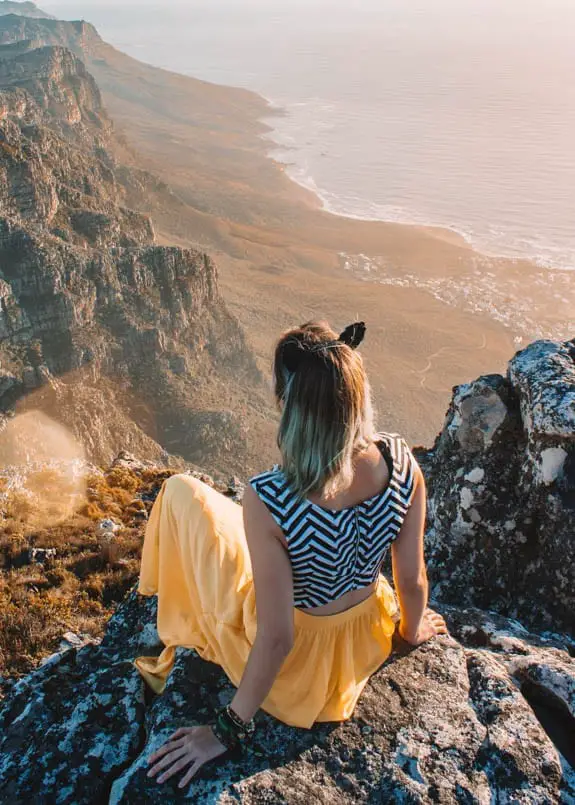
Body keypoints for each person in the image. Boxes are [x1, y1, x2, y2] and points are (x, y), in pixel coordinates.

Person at [138, 320, 448, 789]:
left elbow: (278, 637)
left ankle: (157, 602)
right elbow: (412, 579)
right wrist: (409, 630)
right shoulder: (403, 464)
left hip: (295, 672)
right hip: (365, 639)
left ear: (292, 406)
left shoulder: (271, 498)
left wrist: (226, 730)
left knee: (181, 491)